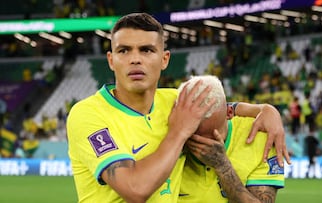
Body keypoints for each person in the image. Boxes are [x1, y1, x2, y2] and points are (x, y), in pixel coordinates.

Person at [66, 13, 289, 203]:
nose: (135, 59)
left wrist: (266, 110)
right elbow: (135, 190)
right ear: (111, 60)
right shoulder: (88, 114)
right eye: (124, 51)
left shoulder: (174, 101)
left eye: (146, 50)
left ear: (164, 59)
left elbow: (220, 106)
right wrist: (178, 132)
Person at [178, 75, 284, 203]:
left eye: (215, 135)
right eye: (195, 136)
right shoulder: (165, 130)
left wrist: (223, 166)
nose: (207, 145)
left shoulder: (259, 136)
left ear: (229, 114)